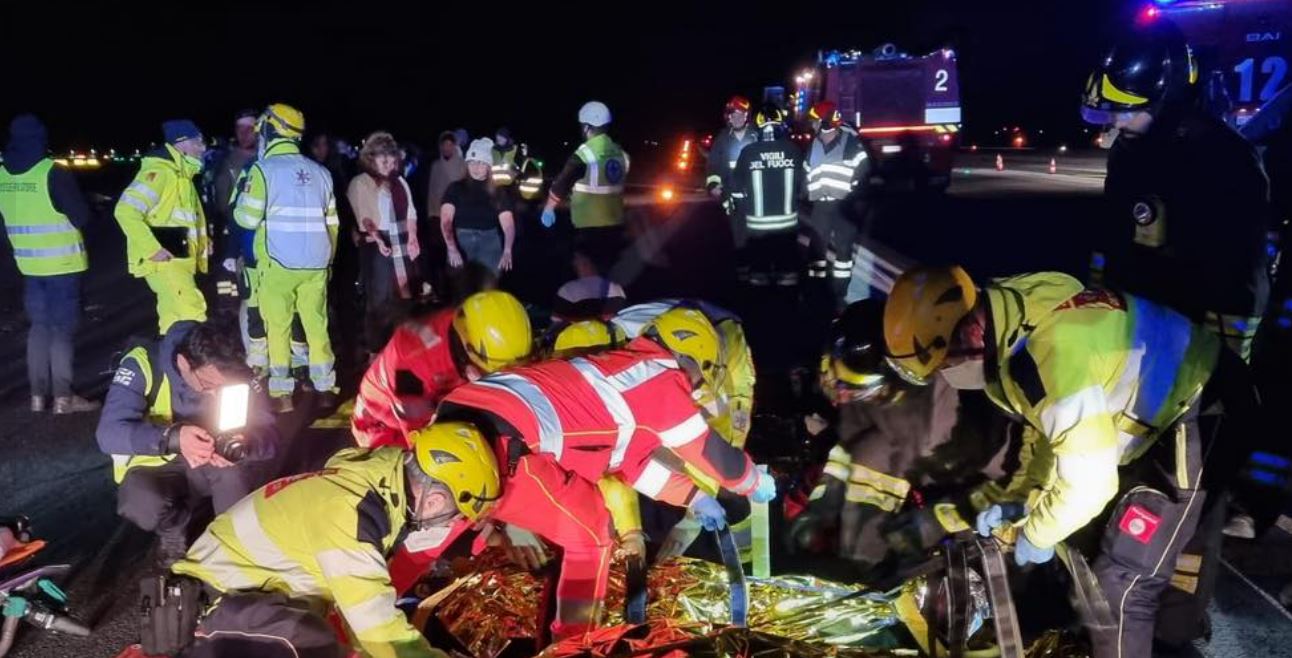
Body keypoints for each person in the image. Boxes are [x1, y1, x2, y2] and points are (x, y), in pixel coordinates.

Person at [883, 265, 1254, 658]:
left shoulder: (1052, 352)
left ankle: (1162, 634)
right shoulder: (1010, 315)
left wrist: (1036, 535)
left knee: (1122, 584)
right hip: (1163, 405)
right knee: (1089, 538)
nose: (945, 374)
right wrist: (1028, 499)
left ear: (970, 334)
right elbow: (1056, 432)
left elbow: (1090, 484)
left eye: (943, 363)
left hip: (1204, 408)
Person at [429, 317, 776, 638]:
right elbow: (717, 459)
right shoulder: (660, 379)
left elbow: (631, 461)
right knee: (591, 535)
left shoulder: (616, 371)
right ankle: (572, 643)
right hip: (506, 444)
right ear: (697, 361)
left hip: (460, 420)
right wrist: (753, 484)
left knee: (422, 526)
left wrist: (695, 498)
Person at [169, 431, 489, 658]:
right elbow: (378, 632)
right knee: (311, 642)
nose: (449, 525)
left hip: (231, 601)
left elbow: (361, 615)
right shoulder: (351, 514)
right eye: (453, 516)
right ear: (432, 501)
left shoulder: (365, 487)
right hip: (207, 613)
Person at [1082, 19, 1270, 362]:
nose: (1116, 123)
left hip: (1195, 335)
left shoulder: (1225, 158)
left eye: (1128, 111)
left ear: (1167, 102)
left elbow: (1241, 271)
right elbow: (1112, 232)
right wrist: (1098, 297)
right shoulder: (1127, 153)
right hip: (1136, 326)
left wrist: (1226, 360)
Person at [789, 300, 1015, 573]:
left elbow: (1016, 488)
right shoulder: (886, 399)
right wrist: (823, 505)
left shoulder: (966, 423)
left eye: (855, 390)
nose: (843, 398)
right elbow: (859, 449)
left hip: (995, 522)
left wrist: (934, 522)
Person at [96, 320, 278, 567]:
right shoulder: (143, 363)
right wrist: (172, 438)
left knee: (234, 476)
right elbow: (108, 434)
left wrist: (247, 444)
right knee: (140, 502)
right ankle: (173, 529)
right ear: (183, 363)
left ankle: (234, 547)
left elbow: (270, 435)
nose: (215, 394)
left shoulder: (236, 367)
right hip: (158, 464)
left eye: (224, 387)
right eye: (208, 385)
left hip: (212, 463)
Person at [232, 104, 339, 413]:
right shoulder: (321, 173)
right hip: (317, 264)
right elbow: (333, 225)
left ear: (270, 129)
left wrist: (243, 199)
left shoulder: (263, 170)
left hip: (278, 264)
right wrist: (328, 262)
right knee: (316, 325)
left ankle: (282, 393)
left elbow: (247, 219)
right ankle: (325, 388)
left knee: (278, 326)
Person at [0, 114, 99, 414]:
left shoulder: (3, 174)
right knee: (61, 330)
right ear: (40, 138)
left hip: (29, 266)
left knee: (38, 328)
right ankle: (63, 398)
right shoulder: (52, 172)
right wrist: (91, 204)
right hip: (63, 264)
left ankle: (37, 397)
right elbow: (80, 216)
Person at [351, 290, 533, 449]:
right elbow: (421, 441)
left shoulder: (468, 325)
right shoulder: (411, 368)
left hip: (433, 399)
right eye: (489, 373)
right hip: (383, 428)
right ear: (469, 358)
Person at [115, 119, 210, 334]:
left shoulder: (181, 174)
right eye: (198, 142)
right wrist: (153, 249)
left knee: (173, 317)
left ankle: (172, 364)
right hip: (167, 261)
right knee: (192, 314)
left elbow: (186, 219)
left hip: (177, 259)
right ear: (182, 144)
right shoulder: (161, 173)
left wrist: (205, 243)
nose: (202, 148)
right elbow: (125, 211)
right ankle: (195, 364)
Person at [347, 131, 421, 354]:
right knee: (379, 299)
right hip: (374, 244)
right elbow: (364, 218)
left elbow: (411, 212)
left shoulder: (400, 182)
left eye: (391, 157)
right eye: (382, 157)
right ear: (371, 158)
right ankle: (376, 350)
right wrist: (378, 239)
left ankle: (401, 346)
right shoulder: (361, 182)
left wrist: (414, 237)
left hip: (400, 243)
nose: (388, 162)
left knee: (404, 295)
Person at [542, 101, 631, 278]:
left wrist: (548, 208)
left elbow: (562, 183)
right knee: (607, 270)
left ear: (587, 127)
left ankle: (589, 301)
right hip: (615, 224)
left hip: (587, 226)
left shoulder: (585, 153)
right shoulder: (620, 153)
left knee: (584, 269)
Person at [803, 100, 871, 308]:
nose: (812, 126)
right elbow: (807, 170)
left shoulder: (851, 144)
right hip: (821, 206)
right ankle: (816, 287)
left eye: (815, 122)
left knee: (843, 251)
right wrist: (807, 191)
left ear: (824, 124)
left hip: (844, 206)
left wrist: (853, 196)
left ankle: (839, 291)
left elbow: (863, 170)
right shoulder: (813, 145)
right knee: (816, 249)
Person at [730, 105, 803, 289]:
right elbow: (804, 186)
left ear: (758, 127)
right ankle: (789, 306)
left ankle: (759, 307)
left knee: (758, 272)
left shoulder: (748, 152)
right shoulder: (793, 150)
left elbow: (736, 188)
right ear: (780, 125)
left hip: (757, 228)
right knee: (787, 272)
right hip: (787, 226)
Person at [441, 138, 516, 276]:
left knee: (488, 291)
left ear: (489, 166)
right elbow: (446, 220)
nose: (476, 167)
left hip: (490, 243)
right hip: (461, 241)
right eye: (472, 162)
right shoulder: (455, 188)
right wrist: (451, 248)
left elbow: (508, 224)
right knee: (462, 290)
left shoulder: (498, 191)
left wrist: (507, 249)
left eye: (481, 163)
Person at [210, 110, 259, 313]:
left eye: (250, 128)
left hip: (269, 241)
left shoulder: (269, 158)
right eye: (240, 129)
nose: (245, 133)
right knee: (238, 292)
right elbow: (222, 205)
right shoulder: (228, 163)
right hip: (239, 240)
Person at [705, 96, 757, 280]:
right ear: (728, 117)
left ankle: (756, 272)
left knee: (757, 237)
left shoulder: (756, 136)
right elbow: (713, 166)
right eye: (733, 115)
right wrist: (712, 184)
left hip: (755, 199)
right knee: (738, 239)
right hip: (733, 199)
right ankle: (743, 277)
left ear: (747, 116)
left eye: (741, 114)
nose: (737, 118)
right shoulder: (722, 139)